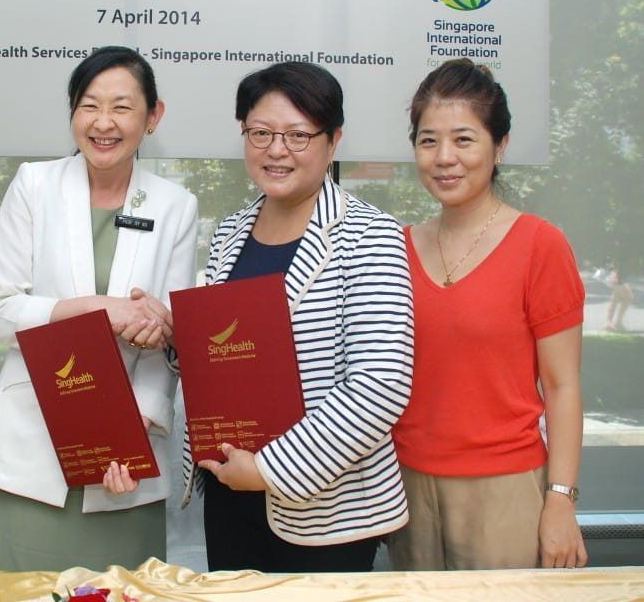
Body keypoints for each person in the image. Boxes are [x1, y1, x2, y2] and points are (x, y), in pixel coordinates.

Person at [0, 46, 198, 572]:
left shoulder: (174, 206)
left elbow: (170, 340)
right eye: (89, 105)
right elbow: (0, 310)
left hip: (124, 460)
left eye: (122, 107)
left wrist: (134, 430)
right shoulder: (34, 185)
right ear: (72, 112)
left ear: (153, 116)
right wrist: (100, 309)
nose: (103, 123)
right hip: (34, 444)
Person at [182, 61, 414, 573]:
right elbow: (222, 355)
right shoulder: (229, 234)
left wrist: (268, 469)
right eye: (260, 132)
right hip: (230, 494)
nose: (276, 149)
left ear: (333, 142)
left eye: (297, 135)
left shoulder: (370, 237)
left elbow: (381, 384)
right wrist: (171, 333)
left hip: (326, 513)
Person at [388, 58, 588, 570]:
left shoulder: (540, 244)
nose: (444, 158)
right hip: (405, 487)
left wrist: (561, 499)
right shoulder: (396, 246)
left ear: (499, 147)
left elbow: (563, 386)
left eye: (464, 139)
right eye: (428, 140)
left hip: (504, 489)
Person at [605, 267, 634, 332]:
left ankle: (613, 322)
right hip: (619, 271)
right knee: (626, 297)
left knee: (618, 296)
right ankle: (613, 322)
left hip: (619, 272)